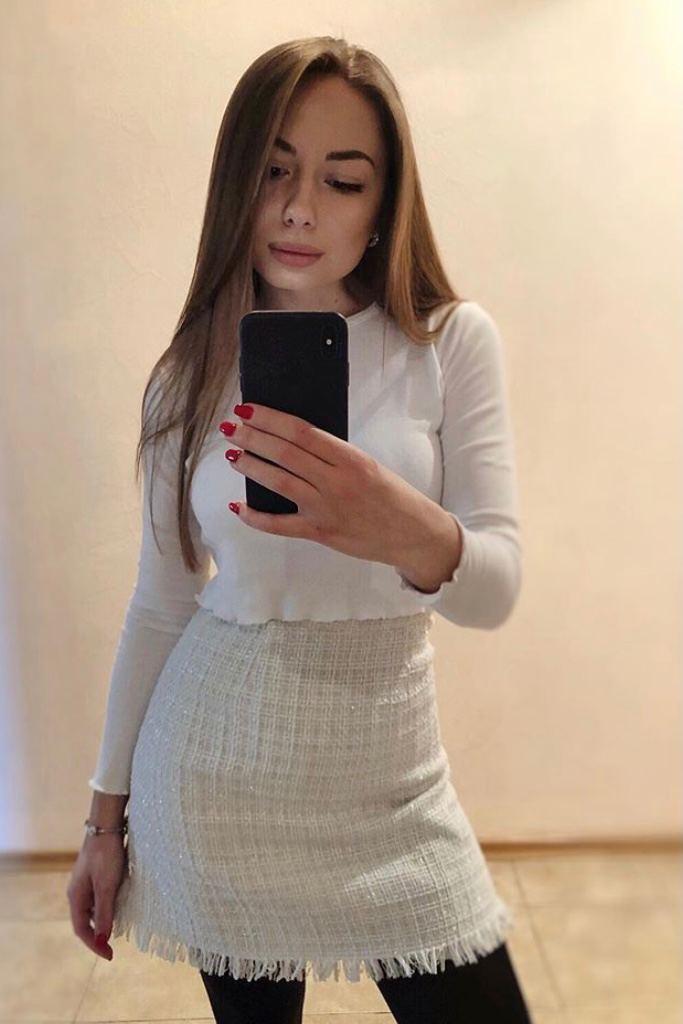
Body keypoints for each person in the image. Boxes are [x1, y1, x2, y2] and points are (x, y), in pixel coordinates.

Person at [67, 35, 533, 1024]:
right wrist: (102, 823)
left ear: (384, 201)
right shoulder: (188, 372)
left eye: (341, 179)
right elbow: (159, 605)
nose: (298, 208)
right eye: (274, 170)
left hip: (395, 790)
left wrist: (404, 527)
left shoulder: (446, 343)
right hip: (215, 785)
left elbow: (492, 591)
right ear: (235, 182)